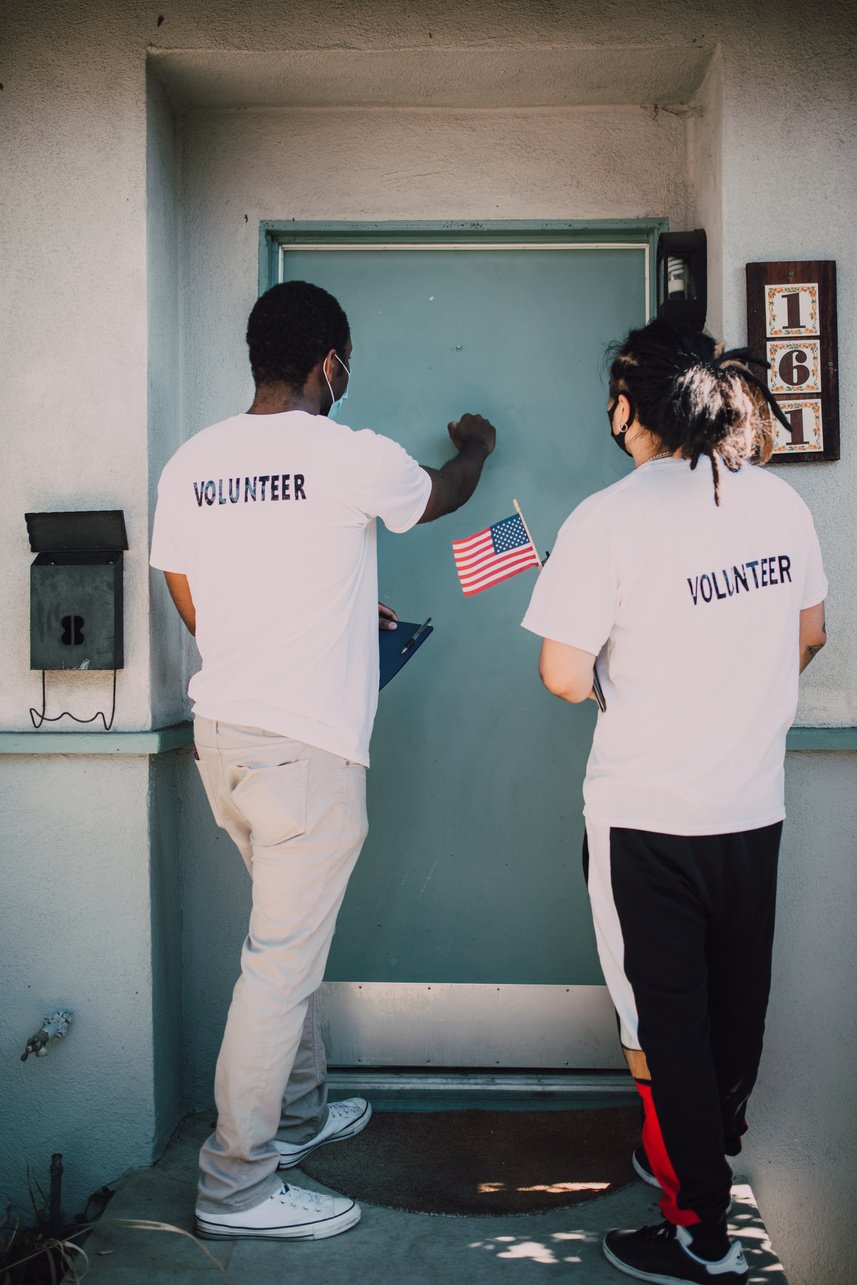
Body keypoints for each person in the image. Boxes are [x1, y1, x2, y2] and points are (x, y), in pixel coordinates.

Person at [150, 280, 496, 1242]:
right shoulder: (347, 456)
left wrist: (316, 625)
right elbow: (442, 496)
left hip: (224, 740)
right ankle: (237, 1186)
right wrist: (476, 446)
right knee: (277, 967)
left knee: (281, 948)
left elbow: (193, 593)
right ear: (329, 362)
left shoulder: (192, 463)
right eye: (348, 363)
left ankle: (296, 1120)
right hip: (307, 753)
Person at [522, 319, 827, 1285]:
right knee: (735, 1010)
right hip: (753, 807)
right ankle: (696, 1155)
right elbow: (808, 634)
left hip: (645, 819)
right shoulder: (777, 504)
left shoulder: (606, 518)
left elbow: (563, 675)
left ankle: (700, 1228)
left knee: (662, 1024)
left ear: (629, 406)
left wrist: (633, 679)